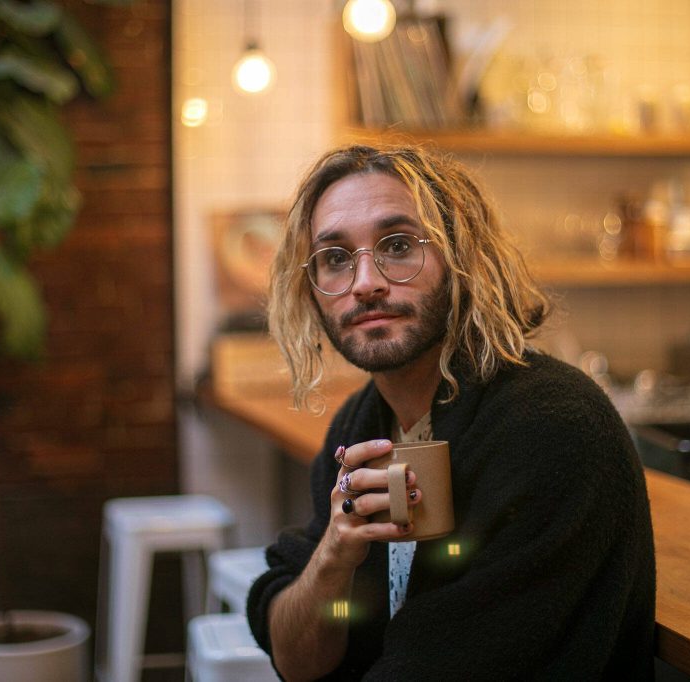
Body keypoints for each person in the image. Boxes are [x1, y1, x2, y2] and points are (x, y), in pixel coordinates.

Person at [246, 144, 655, 680]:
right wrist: (333, 559)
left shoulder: (552, 426)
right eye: (337, 258)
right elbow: (300, 661)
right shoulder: (360, 425)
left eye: (397, 245)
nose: (365, 282)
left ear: (462, 259)